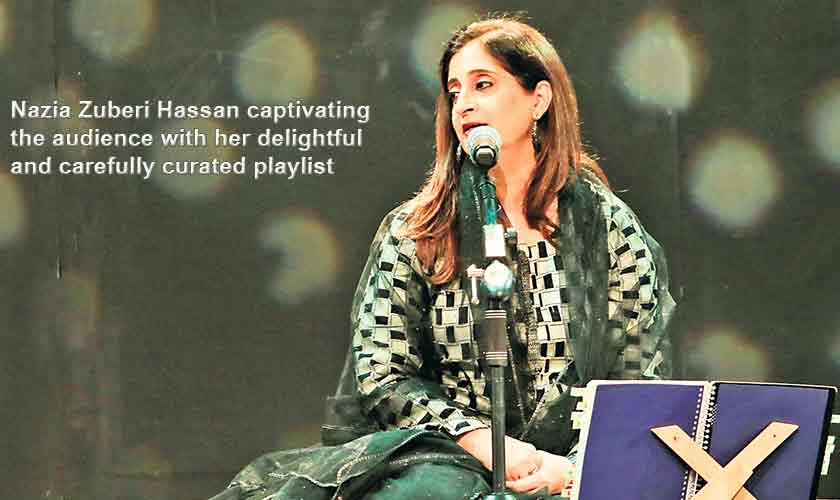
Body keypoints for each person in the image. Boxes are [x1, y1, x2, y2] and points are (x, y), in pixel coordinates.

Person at [209, 14, 675, 500]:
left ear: (538, 99)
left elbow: (639, 378)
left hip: (567, 470)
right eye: (455, 91)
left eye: (483, 84)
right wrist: (483, 442)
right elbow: (383, 374)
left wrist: (572, 469)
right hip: (450, 462)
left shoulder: (606, 226)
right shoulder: (418, 229)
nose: (465, 104)